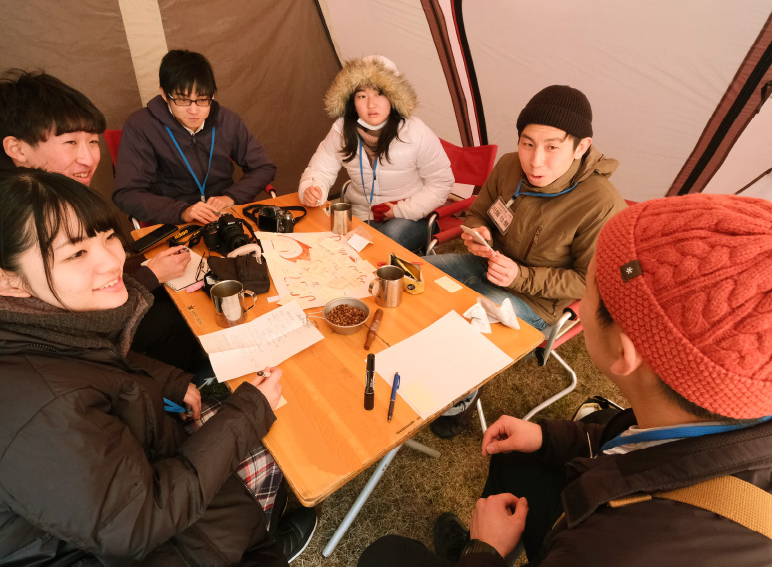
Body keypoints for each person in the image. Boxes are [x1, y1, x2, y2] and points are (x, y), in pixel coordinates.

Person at [0, 169, 317, 565]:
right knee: (266, 453)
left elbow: (83, 357)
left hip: (62, 515)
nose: (112, 262)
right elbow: (136, 524)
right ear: (5, 280)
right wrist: (248, 410)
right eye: (76, 254)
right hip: (85, 548)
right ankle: (263, 542)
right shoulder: (38, 409)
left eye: (107, 237)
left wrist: (170, 380)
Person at [358, 194, 772, 567]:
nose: (578, 307)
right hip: (603, 496)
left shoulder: (611, 550)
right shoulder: (708, 411)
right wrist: (549, 437)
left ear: (624, 352)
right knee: (519, 456)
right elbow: (631, 440)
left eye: (589, 292)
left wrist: (486, 552)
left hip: (594, 531)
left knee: (386, 555)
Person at [0, 69, 206, 373]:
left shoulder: (34, 189)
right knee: (172, 320)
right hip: (33, 355)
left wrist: (145, 268)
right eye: (70, 142)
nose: (89, 159)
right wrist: (149, 276)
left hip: (59, 322)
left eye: (92, 141)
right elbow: (38, 319)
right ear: (17, 148)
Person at [425, 85, 626, 438]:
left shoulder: (601, 204)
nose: (535, 161)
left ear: (581, 147)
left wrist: (521, 277)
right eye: (528, 143)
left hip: (536, 300)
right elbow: (477, 212)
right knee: (416, 277)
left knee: (469, 331)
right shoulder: (508, 166)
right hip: (486, 265)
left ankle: (457, 404)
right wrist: (479, 232)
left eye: (552, 147)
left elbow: (587, 280)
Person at [298, 55, 453, 253]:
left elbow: (441, 182)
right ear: (352, 101)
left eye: (379, 94)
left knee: (383, 241)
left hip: (412, 216)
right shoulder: (341, 131)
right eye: (362, 96)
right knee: (328, 240)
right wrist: (311, 189)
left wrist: (400, 210)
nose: (371, 104)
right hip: (363, 214)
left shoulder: (415, 131)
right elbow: (319, 170)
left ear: (393, 97)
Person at [113, 49, 277, 226]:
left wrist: (231, 197)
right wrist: (182, 211)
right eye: (183, 100)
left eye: (203, 99)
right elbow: (127, 193)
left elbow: (264, 167)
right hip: (173, 221)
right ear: (164, 94)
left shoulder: (228, 120)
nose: (194, 110)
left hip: (224, 215)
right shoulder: (140, 126)